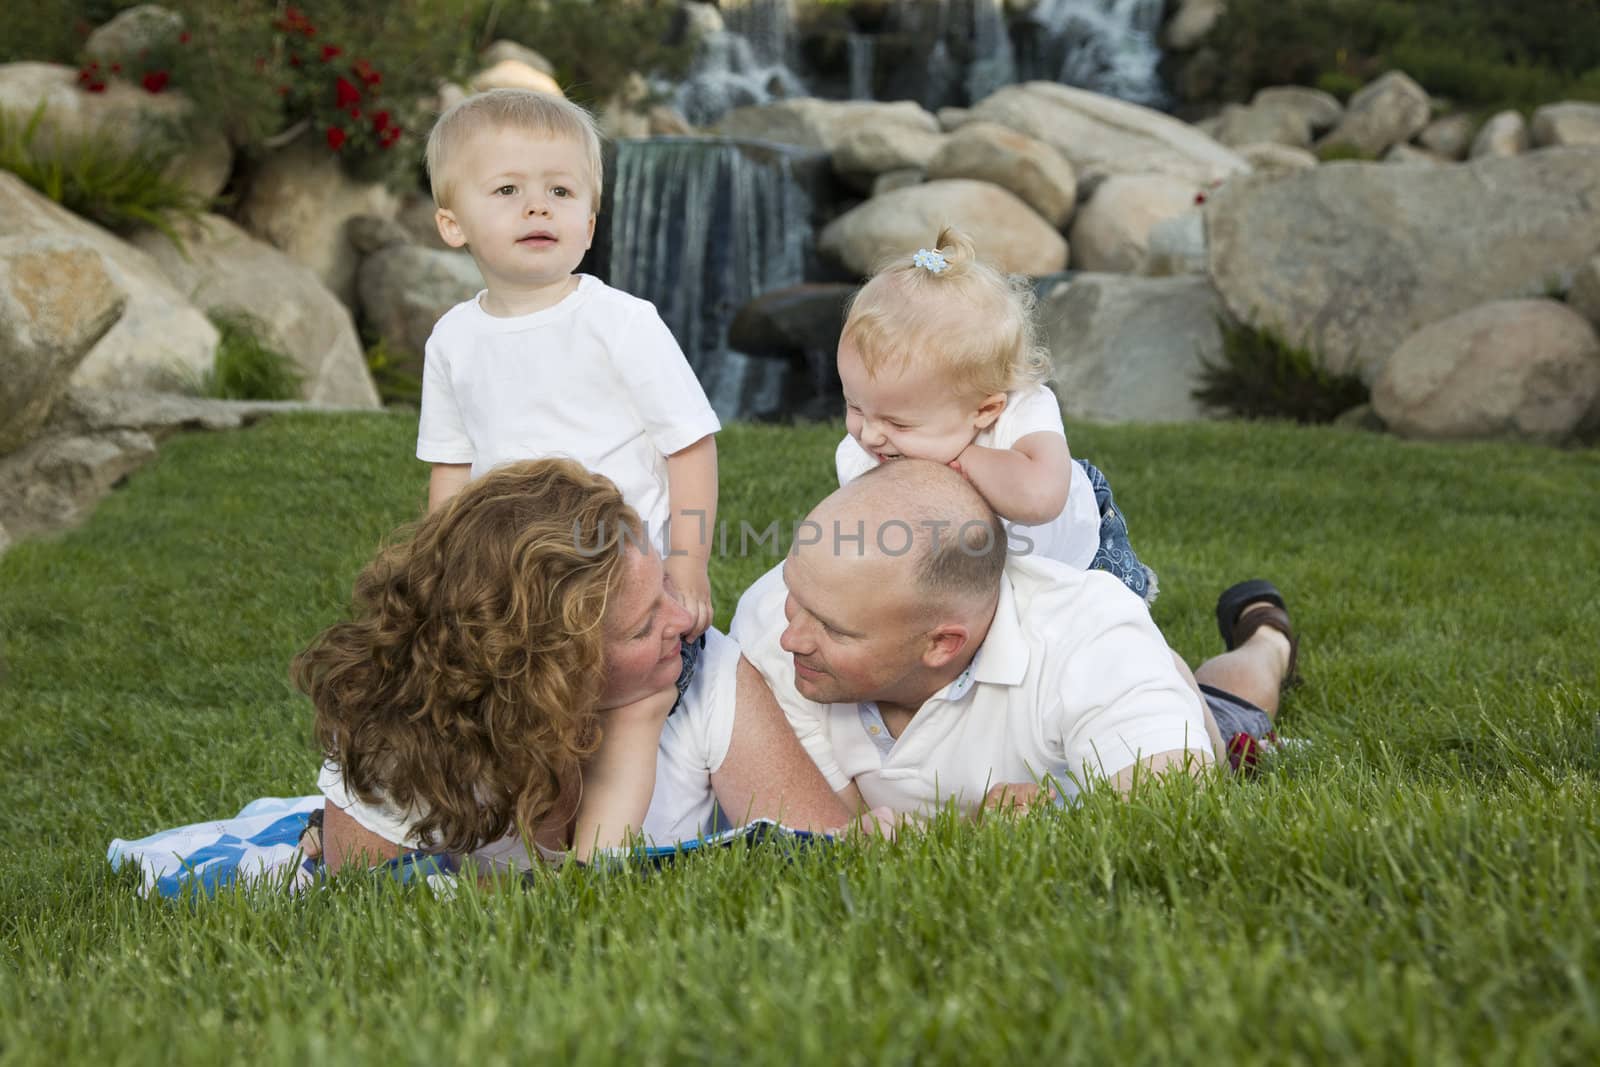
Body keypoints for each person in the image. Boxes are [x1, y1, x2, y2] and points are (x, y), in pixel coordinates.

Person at [292, 459, 852, 872]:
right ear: (550, 671)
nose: (685, 619)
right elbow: (363, 907)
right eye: (641, 625)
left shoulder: (699, 666)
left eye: (664, 585)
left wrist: (638, 718)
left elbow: (824, 861)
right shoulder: (402, 737)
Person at [731, 460, 1299, 819]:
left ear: (941, 644)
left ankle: (1267, 637)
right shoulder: (767, 623)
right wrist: (978, 828)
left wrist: (1052, 824)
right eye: (793, 594)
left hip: (1149, 698)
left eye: (831, 627)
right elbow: (834, 832)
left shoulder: (1089, 638)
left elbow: (1174, 818)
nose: (790, 636)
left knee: (1237, 719)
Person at [417, 88, 719, 636]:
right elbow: (452, 468)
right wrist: (442, 565)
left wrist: (688, 562)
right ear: (452, 224)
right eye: (507, 189)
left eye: (560, 190)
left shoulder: (621, 322)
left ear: (588, 226)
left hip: (620, 576)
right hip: (508, 580)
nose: (538, 206)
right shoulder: (452, 339)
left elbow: (690, 445)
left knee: (631, 700)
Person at [833, 227, 1156, 602]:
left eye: (898, 423)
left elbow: (1040, 499)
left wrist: (964, 457)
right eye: (854, 406)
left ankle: (1172, 660)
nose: (869, 435)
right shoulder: (869, 453)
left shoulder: (1023, 411)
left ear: (985, 410)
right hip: (979, 577)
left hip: (1071, 560)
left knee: (1116, 648)